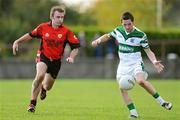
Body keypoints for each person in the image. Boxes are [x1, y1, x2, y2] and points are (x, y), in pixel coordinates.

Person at [91, 12, 172, 118]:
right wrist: (98, 41)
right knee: (122, 88)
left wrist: (154, 61)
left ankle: (162, 102)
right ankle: (134, 113)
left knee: (141, 81)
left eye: (129, 24)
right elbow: (107, 36)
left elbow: (148, 51)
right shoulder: (118, 31)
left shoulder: (141, 35)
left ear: (133, 22)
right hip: (123, 65)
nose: (127, 27)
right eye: (125, 24)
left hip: (136, 63)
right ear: (121, 23)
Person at [12, 6, 80, 113]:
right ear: (52, 17)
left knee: (48, 86)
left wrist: (71, 57)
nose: (60, 20)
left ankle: (43, 89)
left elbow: (75, 47)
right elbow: (30, 35)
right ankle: (32, 104)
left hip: (56, 61)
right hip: (43, 56)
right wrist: (17, 41)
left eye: (62, 17)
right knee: (40, 75)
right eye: (58, 17)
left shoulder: (66, 32)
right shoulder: (43, 27)